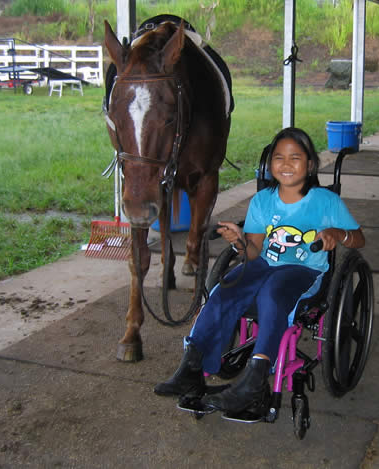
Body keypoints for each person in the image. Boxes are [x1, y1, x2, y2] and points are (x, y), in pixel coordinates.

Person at [153, 127, 365, 416]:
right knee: (224, 287)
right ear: (270, 165)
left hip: (305, 271)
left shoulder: (325, 202)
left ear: (311, 164)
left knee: (274, 290)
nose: (286, 164)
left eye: (295, 157)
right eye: (279, 157)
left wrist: (337, 233)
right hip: (264, 264)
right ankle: (192, 366)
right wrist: (239, 240)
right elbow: (253, 251)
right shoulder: (262, 201)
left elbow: (359, 238)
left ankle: (255, 380)